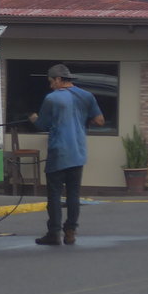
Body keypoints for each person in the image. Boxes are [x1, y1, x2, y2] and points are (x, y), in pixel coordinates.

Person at [28, 64, 104, 246]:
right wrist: (83, 118)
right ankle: (70, 232)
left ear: (59, 79)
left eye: (51, 81)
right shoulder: (86, 96)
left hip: (58, 152)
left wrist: (33, 118)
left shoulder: (52, 98)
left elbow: (43, 125)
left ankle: (54, 233)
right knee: (73, 195)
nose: (50, 85)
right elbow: (100, 121)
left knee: (54, 195)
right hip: (78, 152)